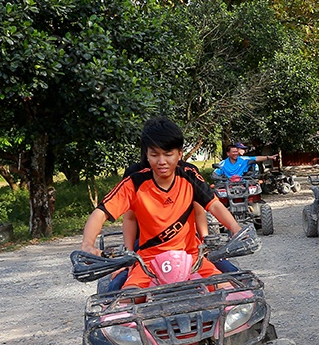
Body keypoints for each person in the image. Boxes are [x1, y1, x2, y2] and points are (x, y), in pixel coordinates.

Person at [81, 117, 243, 290]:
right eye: (154, 154)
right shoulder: (134, 181)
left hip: (192, 255)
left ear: (179, 154)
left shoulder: (189, 175)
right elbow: (103, 212)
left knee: (233, 286)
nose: (162, 161)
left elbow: (212, 205)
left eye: (167, 154)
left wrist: (237, 230)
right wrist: (88, 245)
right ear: (146, 154)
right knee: (118, 297)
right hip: (148, 258)